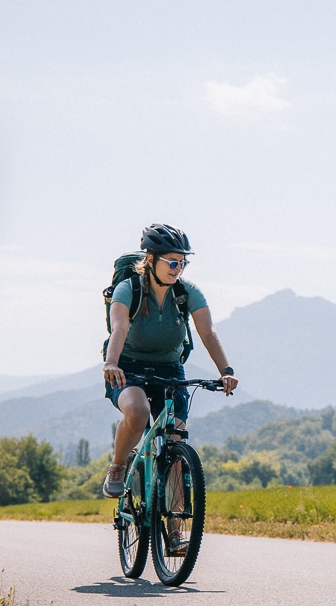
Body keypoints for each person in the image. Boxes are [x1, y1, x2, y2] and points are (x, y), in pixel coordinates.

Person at [102, 224, 238, 547]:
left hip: (169, 368)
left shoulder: (186, 293)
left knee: (176, 441)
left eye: (182, 263)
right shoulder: (129, 290)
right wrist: (111, 363)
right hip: (128, 366)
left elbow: (208, 332)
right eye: (172, 262)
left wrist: (226, 369)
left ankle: (175, 530)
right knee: (137, 411)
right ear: (151, 259)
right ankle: (118, 466)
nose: (178, 269)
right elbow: (118, 327)